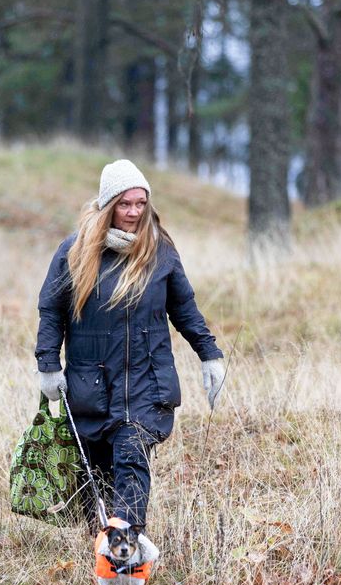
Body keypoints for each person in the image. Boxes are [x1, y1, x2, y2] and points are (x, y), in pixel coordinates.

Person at [35, 159, 225, 532]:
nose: (134, 212)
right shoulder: (74, 251)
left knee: (132, 459)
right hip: (90, 385)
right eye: (125, 204)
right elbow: (51, 309)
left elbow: (184, 308)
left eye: (141, 203)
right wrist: (48, 364)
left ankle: (128, 550)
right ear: (108, 205)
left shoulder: (160, 251)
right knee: (97, 478)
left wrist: (210, 354)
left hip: (145, 385)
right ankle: (102, 548)